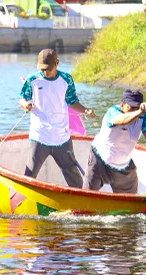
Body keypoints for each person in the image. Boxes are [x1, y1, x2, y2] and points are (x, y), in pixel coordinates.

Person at [19, 49, 95, 188]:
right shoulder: (33, 80)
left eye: (48, 68)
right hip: (39, 136)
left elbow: (72, 101)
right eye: (42, 69)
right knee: (30, 174)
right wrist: (26, 105)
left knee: (73, 174)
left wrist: (85, 110)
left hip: (62, 138)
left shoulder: (66, 79)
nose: (45, 72)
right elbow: (22, 98)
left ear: (57, 63)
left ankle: (83, 203)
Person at [83, 90, 146, 194]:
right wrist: (140, 111)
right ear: (122, 105)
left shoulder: (144, 117)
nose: (135, 110)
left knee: (131, 203)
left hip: (124, 166)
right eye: (131, 107)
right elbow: (123, 120)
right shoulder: (112, 112)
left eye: (137, 107)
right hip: (99, 161)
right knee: (87, 196)